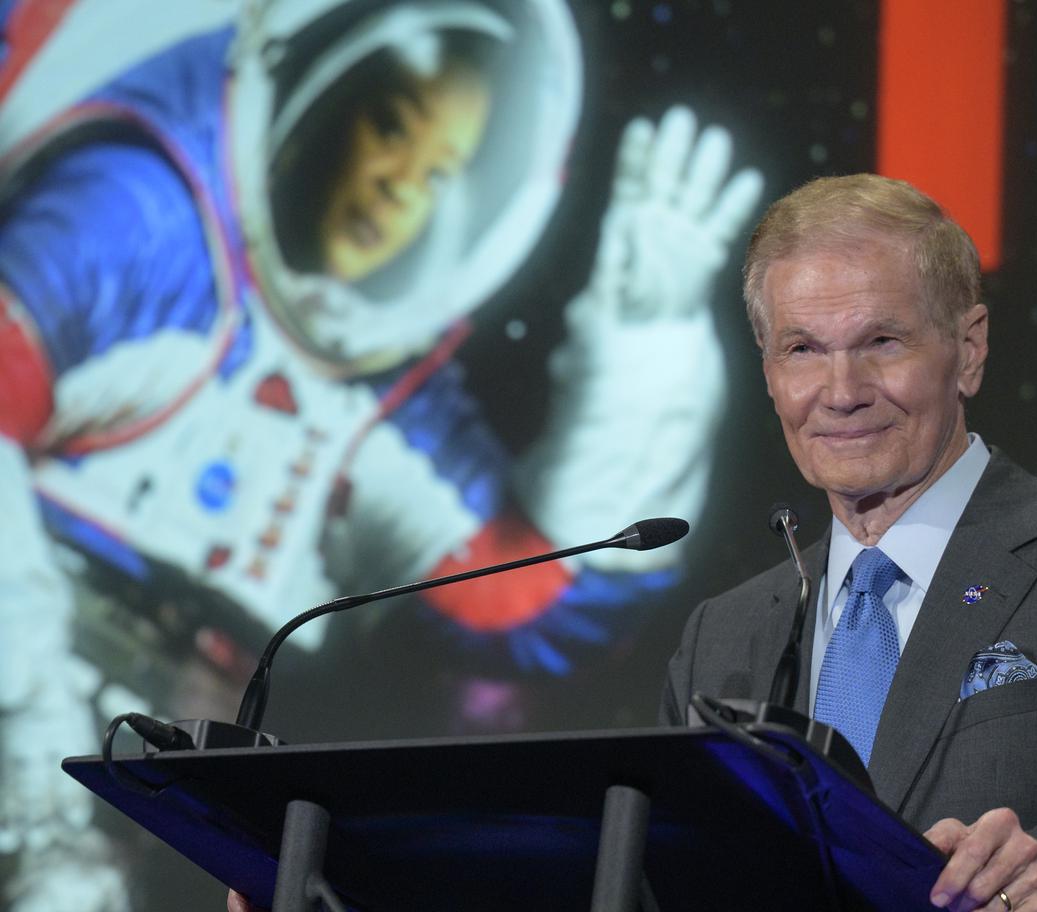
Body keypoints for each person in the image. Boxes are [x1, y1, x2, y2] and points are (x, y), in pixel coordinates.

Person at [0, 1, 762, 909]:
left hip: (154, 798)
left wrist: (644, 357)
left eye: (440, 173)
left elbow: (542, 601)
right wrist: (34, 763)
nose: (401, 188)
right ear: (319, 88)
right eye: (392, 129)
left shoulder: (388, 408)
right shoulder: (139, 220)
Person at [661, 174, 1037, 911]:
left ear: (969, 350)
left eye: (882, 342)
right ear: (770, 373)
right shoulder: (722, 637)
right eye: (803, 349)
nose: (842, 392)